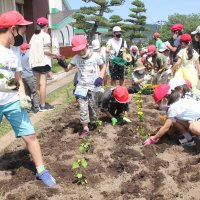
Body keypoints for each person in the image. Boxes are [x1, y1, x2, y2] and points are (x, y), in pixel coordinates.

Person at [0, 10, 56, 187]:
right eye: (23, 29)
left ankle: (41, 171)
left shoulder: (14, 51)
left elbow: (18, 79)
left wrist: (22, 95)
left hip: (11, 101)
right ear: (13, 29)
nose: (25, 33)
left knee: (30, 135)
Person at [66, 35, 106, 138]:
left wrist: (100, 77)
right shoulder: (76, 58)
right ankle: (85, 128)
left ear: (87, 46)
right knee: (83, 107)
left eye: (82, 50)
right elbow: (68, 68)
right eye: (78, 51)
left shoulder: (95, 56)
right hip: (81, 87)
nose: (80, 53)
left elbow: (103, 66)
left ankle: (92, 121)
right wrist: (61, 62)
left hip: (93, 86)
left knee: (92, 107)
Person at [144, 81, 200, 146]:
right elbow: (172, 123)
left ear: (164, 100)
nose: (159, 106)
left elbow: (166, 127)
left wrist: (154, 138)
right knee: (175, 120)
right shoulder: (180, 99)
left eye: (159, 103)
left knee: (193, 127)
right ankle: (189, 140)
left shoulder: (173, 107)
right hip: (196, 118)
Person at [29, 17, 58, 111]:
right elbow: (46, 51)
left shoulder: (33, 36)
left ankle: (38, 105)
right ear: (45, 26)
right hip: (43, 62)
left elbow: (30, 48)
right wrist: (55, 54)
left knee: (38, 85)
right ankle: (43, 105)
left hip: (34, 63)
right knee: (43, 84)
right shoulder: (45, 35)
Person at [20, 43, 40, 113]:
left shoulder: (20, 55)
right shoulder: (29, 55)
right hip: (30, 75)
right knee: (34, 92)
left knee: (27, 93)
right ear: (27, 48)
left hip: (23, 77)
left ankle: (28, 109)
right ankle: (36, 108)